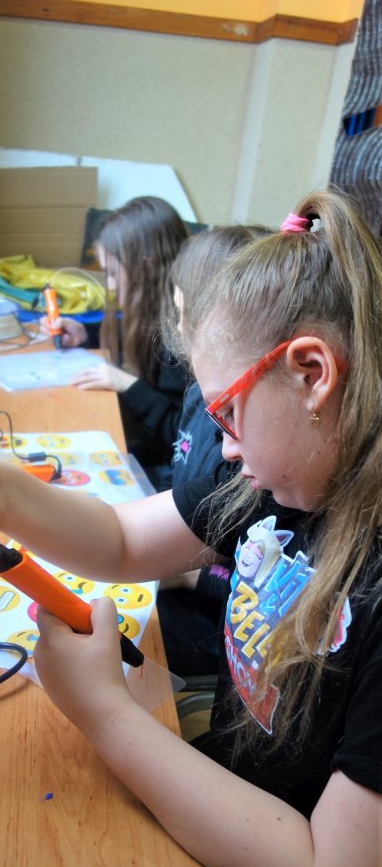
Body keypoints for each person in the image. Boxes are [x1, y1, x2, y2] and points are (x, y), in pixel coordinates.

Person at [0, 187, 382, 867]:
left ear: (311, 373)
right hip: (234, 806)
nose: (223, 448)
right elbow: (118, 543)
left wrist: (105, 713)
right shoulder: (284, 478)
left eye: (225, 414)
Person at [158, 226, 270, 677]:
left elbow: (263, 596)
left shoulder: (266, 457)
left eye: (183, 311)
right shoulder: (196, 398)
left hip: (215, 623)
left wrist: (191, 576)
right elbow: (180, 489)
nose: (177, 326)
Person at [44, 196, 191, 490]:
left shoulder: (181, 333)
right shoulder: (160, 309)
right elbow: (139, 334)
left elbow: (183, 437)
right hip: (153, 451)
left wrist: (128, 385)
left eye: (112, 273)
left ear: (145, 267)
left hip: (172, 474)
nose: (109, 285)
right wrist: (86, 334)